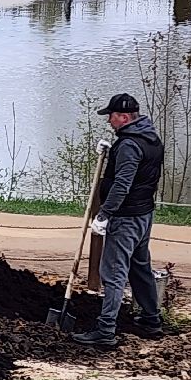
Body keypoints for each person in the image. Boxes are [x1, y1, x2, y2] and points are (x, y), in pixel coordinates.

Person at [73, 93, 164, 349]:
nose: (109, 122)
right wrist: (112, 151)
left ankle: (105, 331)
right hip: (144, 213)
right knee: (139, 266)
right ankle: (150, 319)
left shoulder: (129, 145)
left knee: (112, 273)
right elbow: (140, 172)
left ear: (124, 117)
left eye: (111, 117)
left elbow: (123, 184)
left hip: (125, 217)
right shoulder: (151, 138)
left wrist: (105, 214)